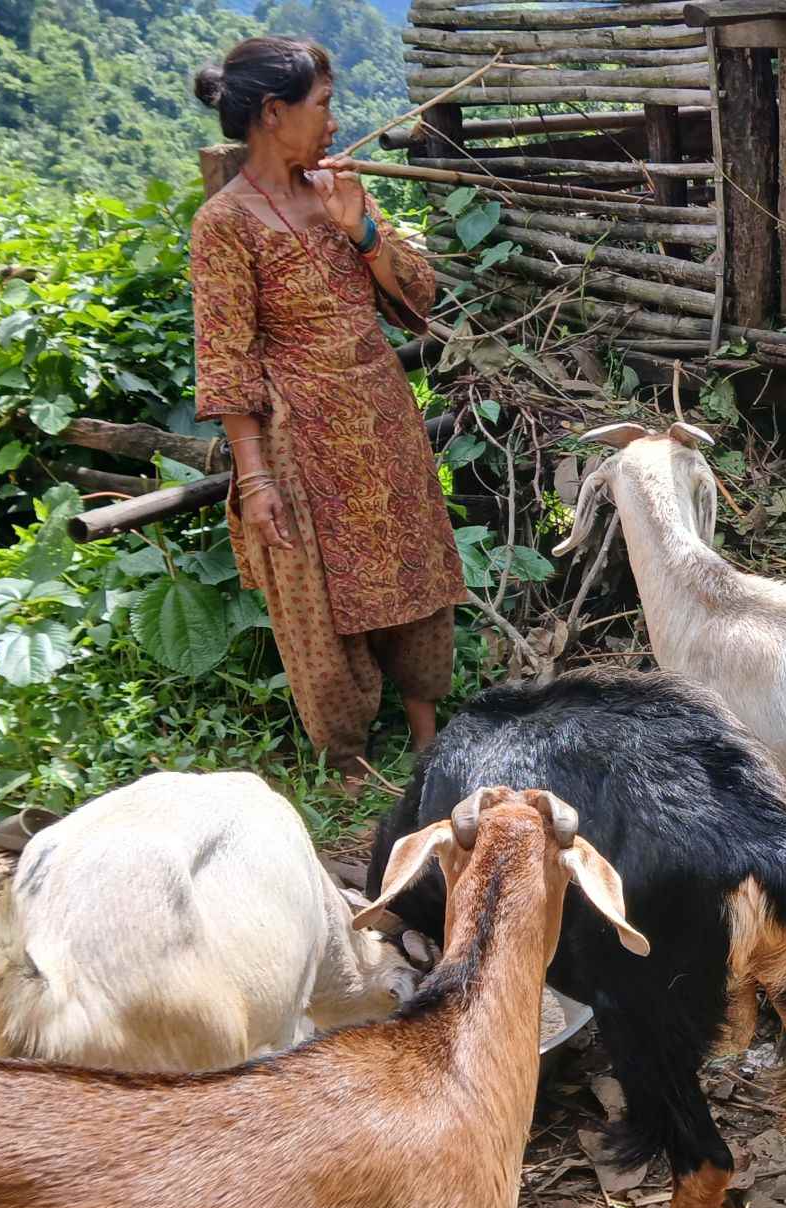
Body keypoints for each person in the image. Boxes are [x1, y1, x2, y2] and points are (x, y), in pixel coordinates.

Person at [188, 36, 464, 788]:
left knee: (412, 567)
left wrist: (362, 229)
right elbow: (226, 356)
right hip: (297, 434)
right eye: (323, 105)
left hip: (381, 414)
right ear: (273, 114)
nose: (335, 122)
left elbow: (417, 300)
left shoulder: (341, 192)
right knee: (319, 600)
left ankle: (425, 733)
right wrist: (255, 480)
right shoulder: (225, 225)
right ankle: (348, 761)